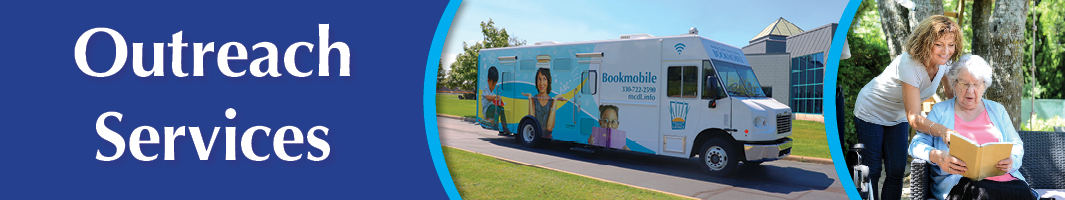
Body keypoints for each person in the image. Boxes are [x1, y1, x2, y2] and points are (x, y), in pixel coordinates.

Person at [851, 15, 963, 200]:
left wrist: (965, 114)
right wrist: (943, 130)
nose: (946, 51)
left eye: (951, 45)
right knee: (872, 169)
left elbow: (950, 92)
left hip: (897, 115)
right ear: (926, 43)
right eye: (939, 44)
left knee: (896, 171)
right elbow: (914, 119)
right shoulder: (909, 64)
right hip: (871, 109)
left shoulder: (945, 61)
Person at [908, 55, 1035, 200]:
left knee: (1022, 192)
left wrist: (1012, 160)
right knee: (980, 193)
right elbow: (915, 145)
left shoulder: (997, 110)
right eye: (964, 83)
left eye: (976, 84)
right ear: (954, 83)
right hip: (961, 184)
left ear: (984, 85)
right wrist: (937, 157)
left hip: (1004, 181)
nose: (970, 90)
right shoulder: (940, 111)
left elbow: (1016, 145)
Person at [522, 68, 566, 138]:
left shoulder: (552, 101)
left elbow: (549, 127)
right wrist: (530, 98)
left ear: (548, 82)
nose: (541, 83)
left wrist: (555, 100)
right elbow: (531, 121)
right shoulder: (533, 99)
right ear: (536, 82)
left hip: (548, 137)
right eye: (539, 79)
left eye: (544, 79)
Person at [482, 66, 509, 135]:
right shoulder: (486, 88)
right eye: (492, 84)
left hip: (491, 108)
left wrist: (498, 101)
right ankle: (495, 124)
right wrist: (496, 96)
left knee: (501, 109)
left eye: (495, 85)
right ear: (488, 81)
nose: (493, 87)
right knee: (496, 108)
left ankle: (505, 127)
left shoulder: (491, 91)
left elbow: (492, 99)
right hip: (487, 110)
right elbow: (488, 97)